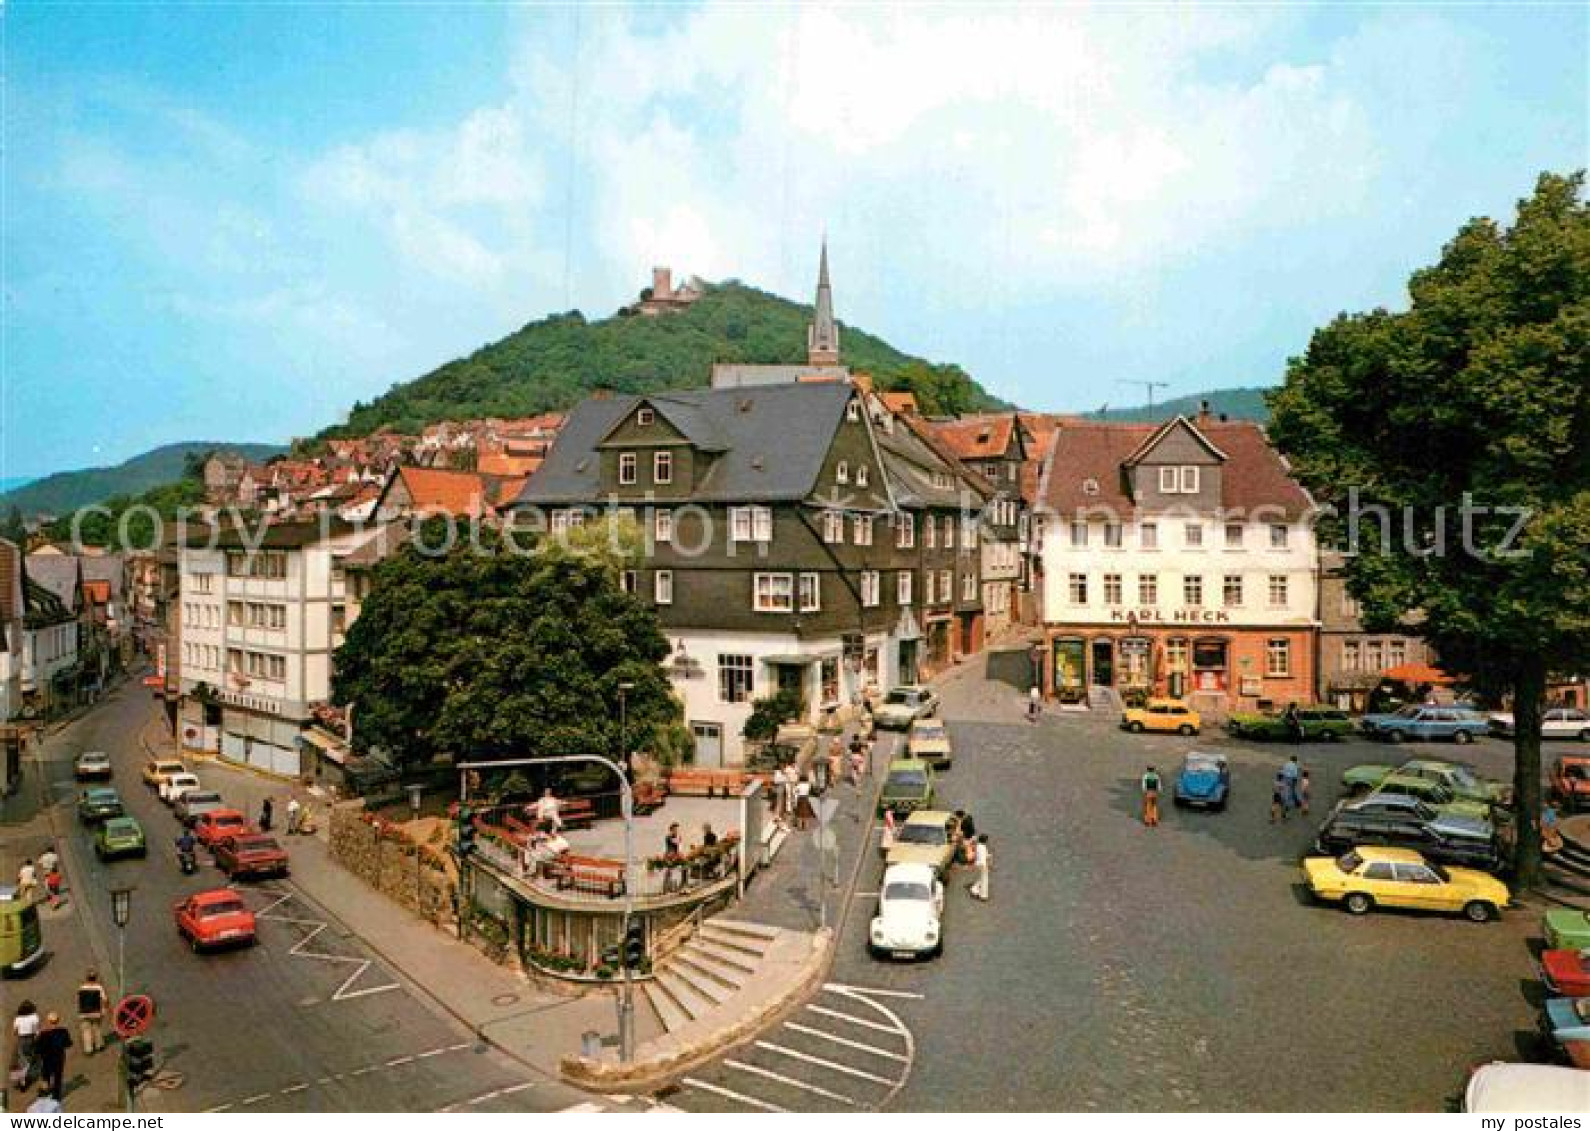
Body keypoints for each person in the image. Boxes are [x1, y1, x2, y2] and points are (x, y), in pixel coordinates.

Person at [34, 1013, 70, 1101]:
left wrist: (37, 1038)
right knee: (57, 1077)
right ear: (58, 1020)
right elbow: (68, 1044)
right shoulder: (63, 1031)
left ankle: (44, 1093)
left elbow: (37, 1048)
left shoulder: (43, 1034)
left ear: (48, 1021)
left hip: (46, 1058)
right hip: (59, 1057)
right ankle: (56, 1096)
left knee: (45, 1076)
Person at [76, 972, 107, 1056]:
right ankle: (99, 1045)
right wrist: (103, 1009)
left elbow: (79, 1000)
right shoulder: (99, 987)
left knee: (86, 1030)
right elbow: (104, 1000)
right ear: (95, 978)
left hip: (84, 1013)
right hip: (96, 1012)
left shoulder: (81, 988)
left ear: (87, 978)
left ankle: (88, 1049)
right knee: (97, 1028)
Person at [12, 1000, 40, 1087]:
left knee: (21, 1059)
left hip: (21, 1039)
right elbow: (36, 1031)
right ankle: (27, 1074)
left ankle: (22, 1079)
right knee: (30, 1057)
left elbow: (14, 1031)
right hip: (31, 1038)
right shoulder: (35, 1017)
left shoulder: (18, 1019)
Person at [968, 834, 992, 901]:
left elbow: (979, 855)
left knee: (980, 878)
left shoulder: (978, 846)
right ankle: (983, 895)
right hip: (982, 865)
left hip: (977, 864)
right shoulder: (983, 847)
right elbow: (984, 857)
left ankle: (974, 890)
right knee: (984, 880)